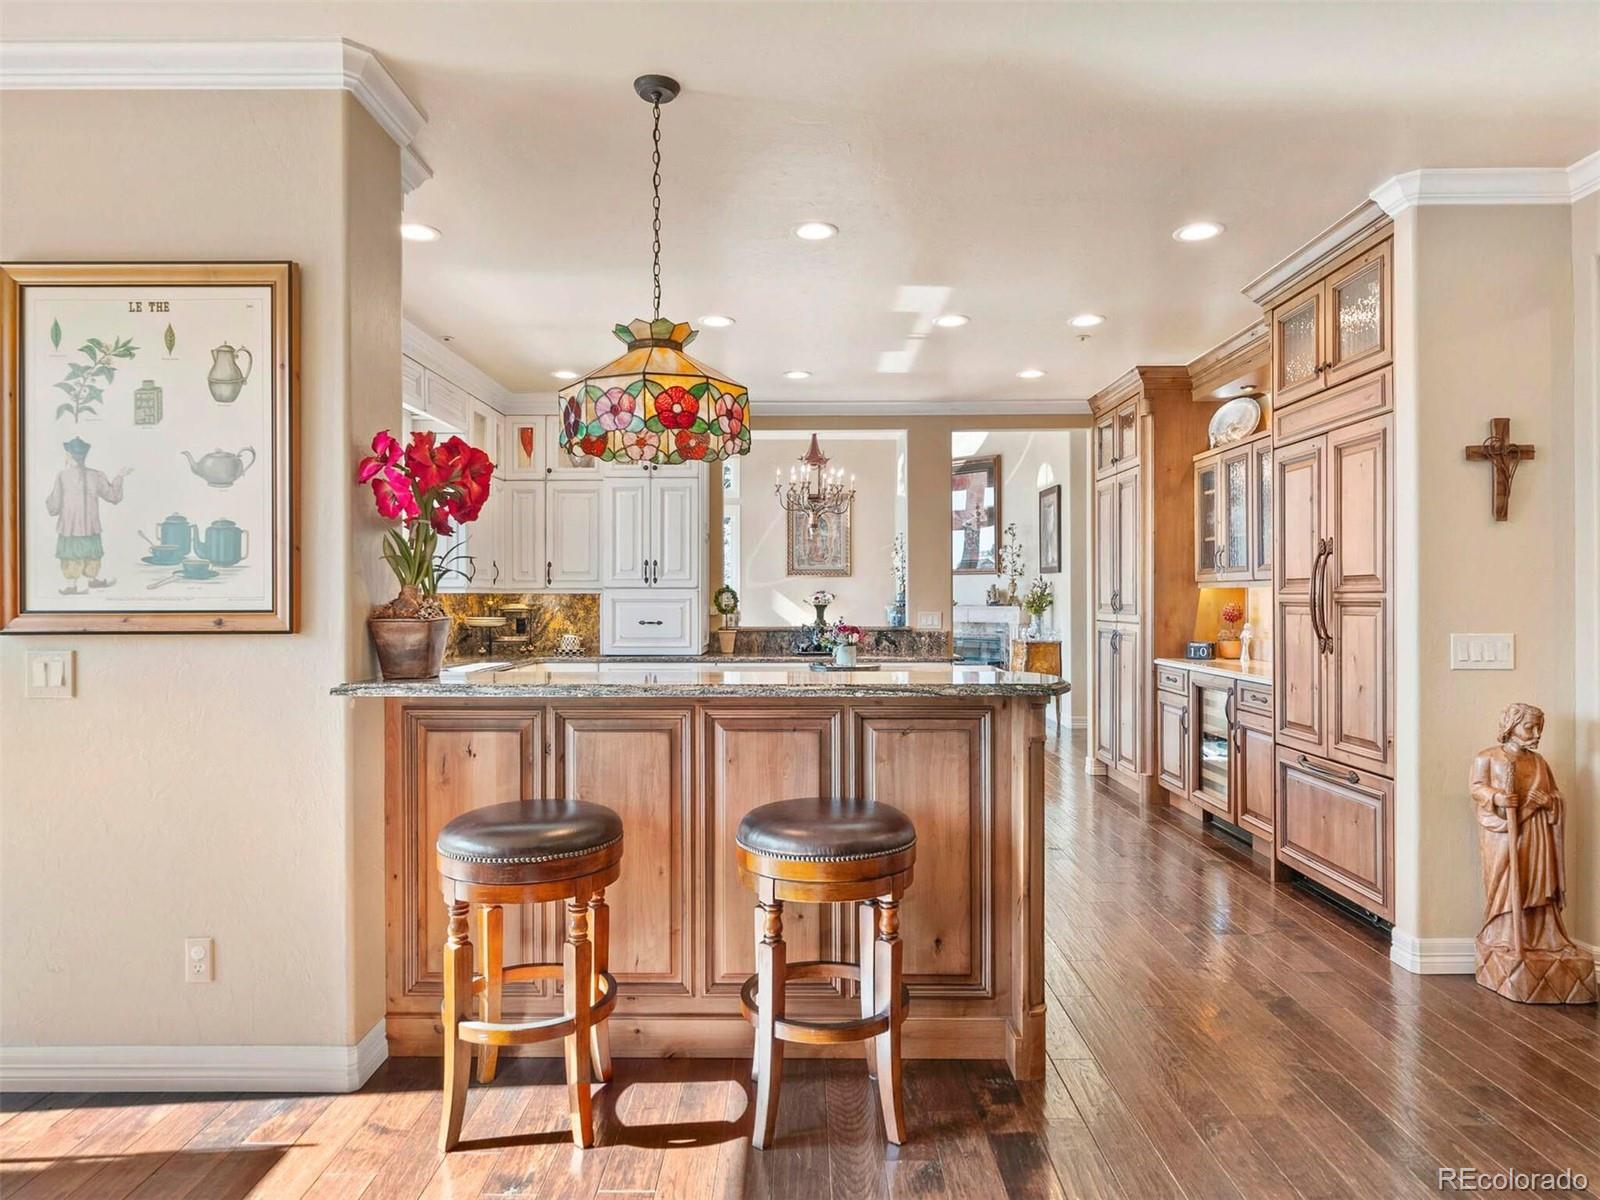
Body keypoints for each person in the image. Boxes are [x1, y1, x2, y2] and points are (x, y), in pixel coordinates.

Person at [1469, 703, 1596, 1003]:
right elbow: (1476, 787)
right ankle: (1505, 935)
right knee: (1507, 883)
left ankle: (1542, 937)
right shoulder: (1488, 757)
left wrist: (1550, 802)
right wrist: (1499, 797)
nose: (1537, 734)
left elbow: (1554, 797)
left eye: (1540, 728)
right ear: (1511, 726)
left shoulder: (1540, 764)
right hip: (1504, 834)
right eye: (1530, 727)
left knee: (1537, 885)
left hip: (1537, 834)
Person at [45, 437, 130, 595]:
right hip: (90, 525)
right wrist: (119, 477)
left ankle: (73, 585)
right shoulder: (96, 475)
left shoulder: (62, 475)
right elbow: (113, 496)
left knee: (71, 553)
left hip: (70, 526)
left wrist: (48, 502)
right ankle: (92, 580)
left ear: (69, 455)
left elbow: (54, 506)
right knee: (92, 551)